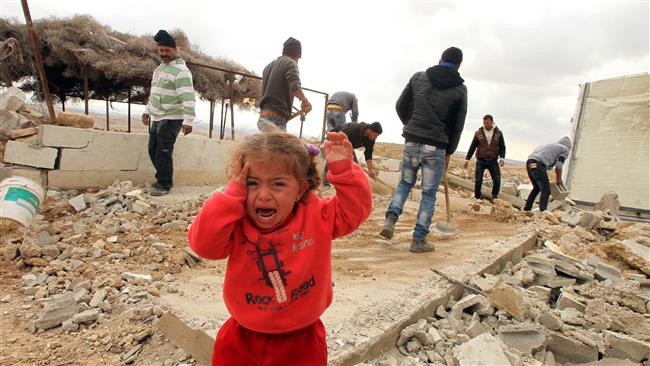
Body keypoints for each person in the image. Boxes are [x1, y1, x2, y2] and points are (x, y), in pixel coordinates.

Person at [187, 131, 372, 366]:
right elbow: (204, 245)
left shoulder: (318, 217)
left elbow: (354, 210)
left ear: (301, 189)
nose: (263, 195)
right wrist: (230, 196)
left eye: (278, 184)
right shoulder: (236, 220)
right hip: (241, 339)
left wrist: (345, 171)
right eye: (252, 183)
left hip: (302, 344)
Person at [379, 46, 467, 253]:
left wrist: (412, 126)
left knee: (404, 183)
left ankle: (390, 219)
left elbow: (400, 105)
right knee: (428, 194)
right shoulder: (459, 89)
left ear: (440, 59)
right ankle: (418, 240)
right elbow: (458, 125)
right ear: (459, 66)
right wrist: (449, 151)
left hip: (411, 141)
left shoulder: (418, 77)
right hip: (436, 147)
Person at [142, 30, 195, 196]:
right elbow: (155, 92)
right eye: (161, 50)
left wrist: (188, 121)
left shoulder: (181, 72)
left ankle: (164, 184)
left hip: (171, 119)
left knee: (163, 152)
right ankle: (161, 178)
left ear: (175, 50)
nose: (164, 54)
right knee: (153, 150)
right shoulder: (160, 68)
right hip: (157, 117)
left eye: (167, 51)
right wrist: (147, 111)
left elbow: (188, 97)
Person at [257, 37, 312, 132]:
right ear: (297, 54)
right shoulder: (290, 63)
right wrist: (305, 101)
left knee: (267, 146)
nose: (297, 62)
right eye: (298, 59)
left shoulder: (267, 67)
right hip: (276, 118)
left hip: (264, 116)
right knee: (278, 147)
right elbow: (295, 86)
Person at [323, 121, 382, 186]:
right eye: (375, 135)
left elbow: (368, 153)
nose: (375, 138)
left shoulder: (371, 140)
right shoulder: (353, 129)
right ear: (370, 130)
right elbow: (339, 137)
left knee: (355, 165)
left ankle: (352, 183)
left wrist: (370, 170)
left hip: (348, 145)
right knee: (333, 159)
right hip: (335, 138)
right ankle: (325, 181)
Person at [463, 114, 506, 202]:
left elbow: (502, 146)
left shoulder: (498, 133)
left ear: (492, 122)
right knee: (478, 180)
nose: (485, 124)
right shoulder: (478, 133)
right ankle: (477, 197)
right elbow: (472, 146)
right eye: (484, 123)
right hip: (481, 160)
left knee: (497, 180)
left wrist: (502, 158)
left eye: (487, 123)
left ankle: (494, 196)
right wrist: (467, 159)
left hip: (493, 160)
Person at [523, 137, 572, 212]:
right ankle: (543, 212)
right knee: (546, 190)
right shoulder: (565, 149)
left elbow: (544, 161)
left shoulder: (551, 145)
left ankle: (527, 209)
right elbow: (559, 165)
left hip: (530, 164)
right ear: (569, 147)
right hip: (538, 165)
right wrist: (559, 179)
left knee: (536, 188)